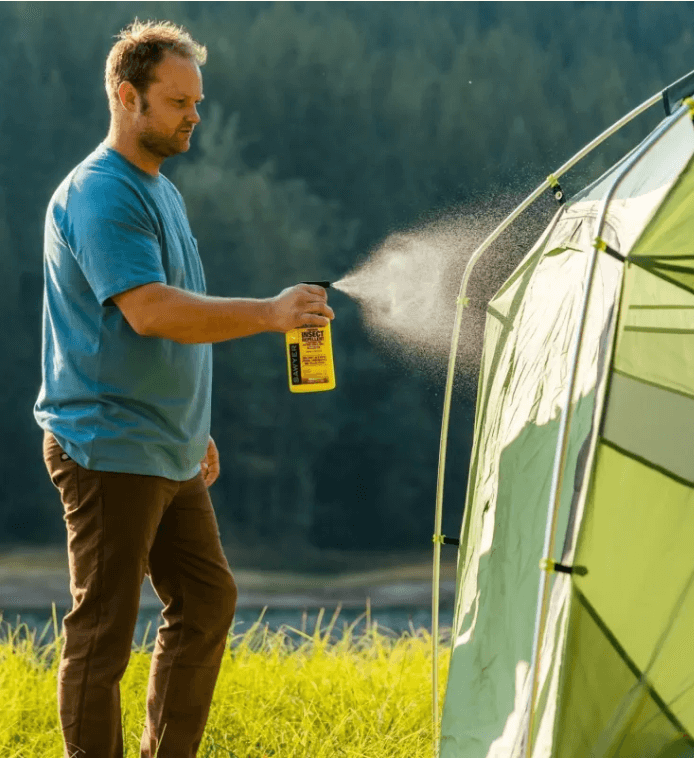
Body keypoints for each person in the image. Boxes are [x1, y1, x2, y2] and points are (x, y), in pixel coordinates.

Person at [33, 19, 334, 758]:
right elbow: (151, 311)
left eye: (196, 100)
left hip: (164, 445)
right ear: (127, 98)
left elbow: (175, 315)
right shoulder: (102, 194)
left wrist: (191, 423)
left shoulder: (158, 189)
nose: (194, 114)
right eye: (177, 101)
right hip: (107, 447)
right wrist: (267, 313)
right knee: (102, 633)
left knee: (206, 599)